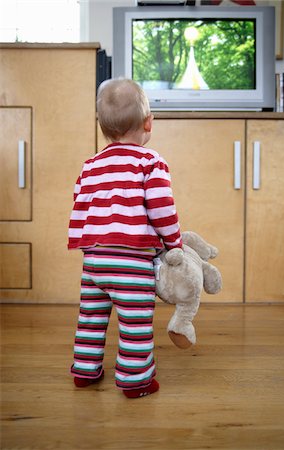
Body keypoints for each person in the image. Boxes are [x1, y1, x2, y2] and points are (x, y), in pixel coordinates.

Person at [68, 78, 182, 398]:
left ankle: (85, 370)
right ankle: (136, 381)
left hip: (94, 260)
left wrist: (88, 248)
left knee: (90, 318)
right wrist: (174, 243)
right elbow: (162, 209)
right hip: (131, 262)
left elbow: (81, 206)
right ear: (149, 122)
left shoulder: (90, 165)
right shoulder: (150, 162)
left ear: (102, 126)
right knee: (135, 323)